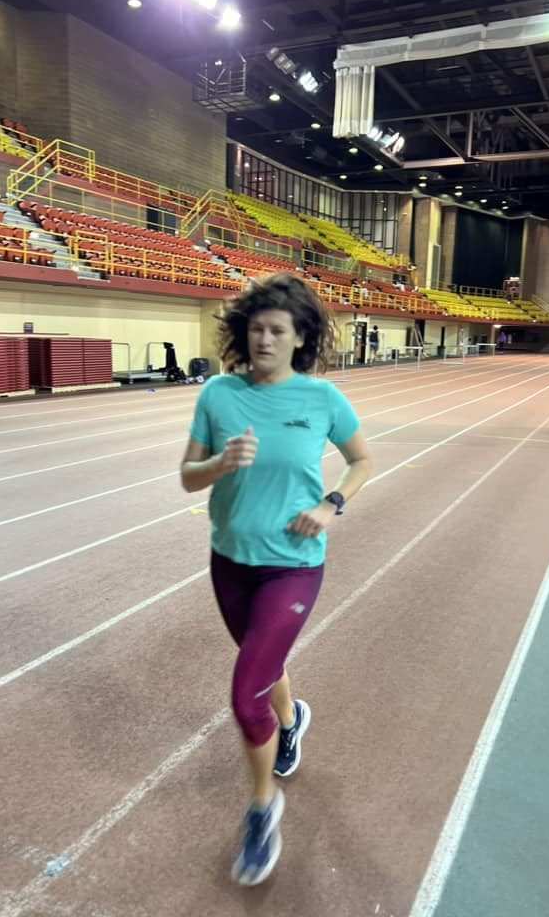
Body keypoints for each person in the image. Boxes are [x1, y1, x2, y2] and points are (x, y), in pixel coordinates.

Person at [180, 273, 372, 886]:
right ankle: (292, 722)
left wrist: (332, 503)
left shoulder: (321, 399)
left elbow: (364, 458)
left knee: (245, 695)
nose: (263, 339)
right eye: (255, 328)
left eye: (277, 331)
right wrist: (218, 462)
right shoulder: (217, 394)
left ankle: (262, 809)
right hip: (231, 559)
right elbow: (187, 477)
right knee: (262, 659)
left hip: (293, 563)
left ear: (300, 338)